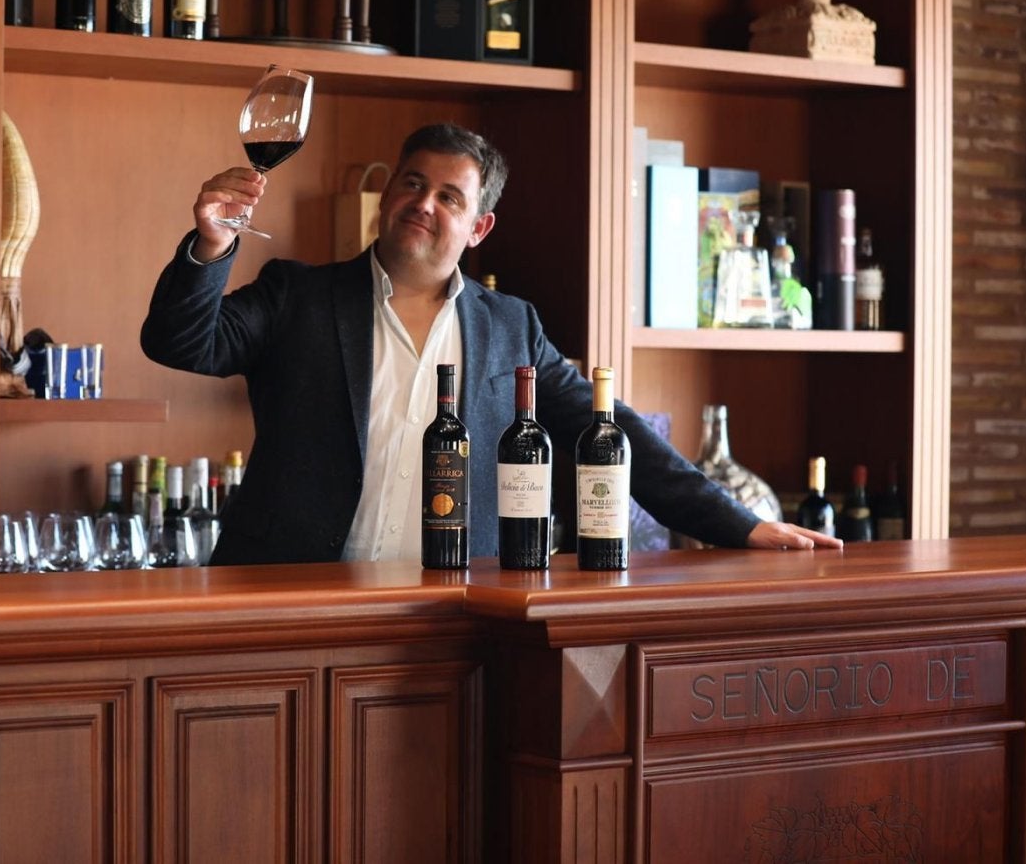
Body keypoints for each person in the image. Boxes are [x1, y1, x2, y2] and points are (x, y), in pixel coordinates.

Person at [141, 123, 840, 565]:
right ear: (388, 198)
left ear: (478, 228)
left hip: (450, 607)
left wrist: (742, 527)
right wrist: (212, 243)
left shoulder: (512, 326)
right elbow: (181, 342)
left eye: (451, 197)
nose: (425, 203)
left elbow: (615, 430)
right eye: (413, 184)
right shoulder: (296, 294)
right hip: (287, 597)